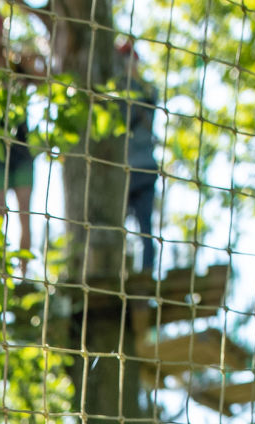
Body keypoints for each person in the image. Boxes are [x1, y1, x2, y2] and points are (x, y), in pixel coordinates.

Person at [0, 9, 44, 269]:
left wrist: (34, 60)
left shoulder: (18, 65)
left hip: (21, 145)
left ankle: (23, 277)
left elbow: (42, 82)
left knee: (24, 214)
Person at [114, 39, 158, 278]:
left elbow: (148, 117)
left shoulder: (148, 90)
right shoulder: (116, 90)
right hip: (123, 170)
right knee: (119, 228)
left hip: (145, 167)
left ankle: (146, 274)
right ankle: (120, 271)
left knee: (145, 227)